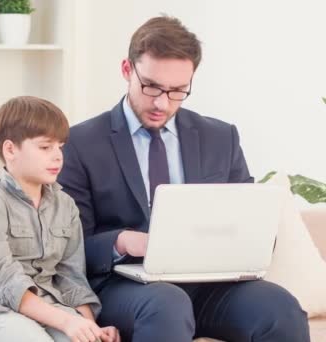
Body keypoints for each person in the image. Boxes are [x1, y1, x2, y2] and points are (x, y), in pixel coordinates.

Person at [57, 16, 310, 342]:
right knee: (167, 305)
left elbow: (255, 229)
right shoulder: (80, 142)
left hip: (211, 287)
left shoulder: (221, 137)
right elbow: (69, 248)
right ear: (126, 70)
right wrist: (122, 241)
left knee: (280, 308)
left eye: (177, 91)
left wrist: (245, 243)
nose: (161, 103)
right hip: (125, 288)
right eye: (151, 86)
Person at [0, 96, 120, 342]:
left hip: (49, 304)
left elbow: (72, 277)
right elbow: (6, 283)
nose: (58, 156)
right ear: (10, 150)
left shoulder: (66, 205)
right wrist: (67, 321)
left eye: (60, 146)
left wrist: (89, 328)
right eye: (45, 147)